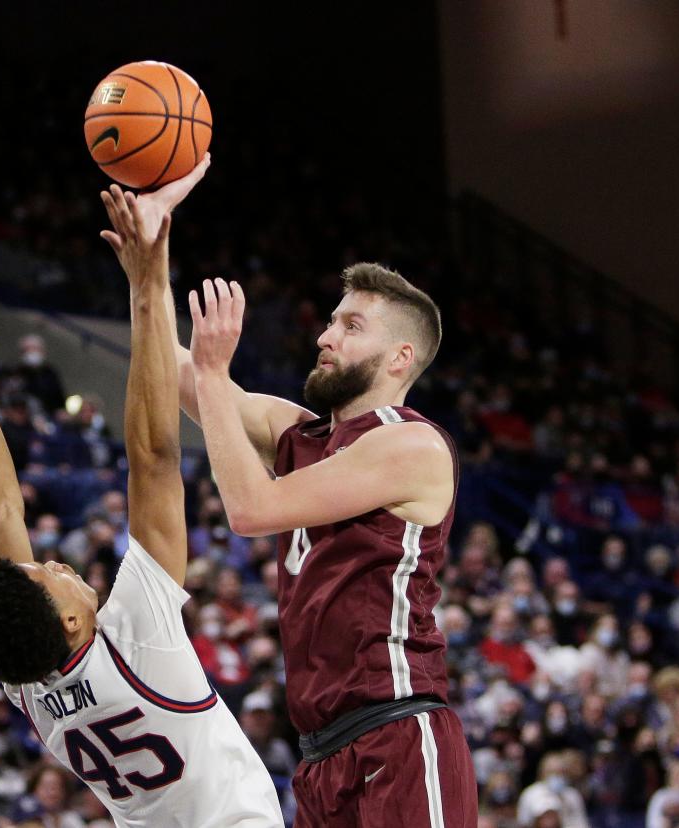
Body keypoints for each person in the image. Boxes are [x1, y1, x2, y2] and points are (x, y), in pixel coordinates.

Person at [0, 155, 281, 826]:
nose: (57, 563)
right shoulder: (138, 640)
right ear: (70, 621)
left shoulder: (29, 674)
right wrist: (145, 284)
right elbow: (154, 457)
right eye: (52, 575)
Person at [103, 176, 475, 823]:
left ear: (400, 357)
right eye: (331, 321)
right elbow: (173, 367)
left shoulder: (413, 445)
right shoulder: (298, 431)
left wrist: (219, 377)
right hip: (320, 755)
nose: (326, 337)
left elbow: (251, 510)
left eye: (351, 326)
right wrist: (149, 265)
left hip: (399, 734)